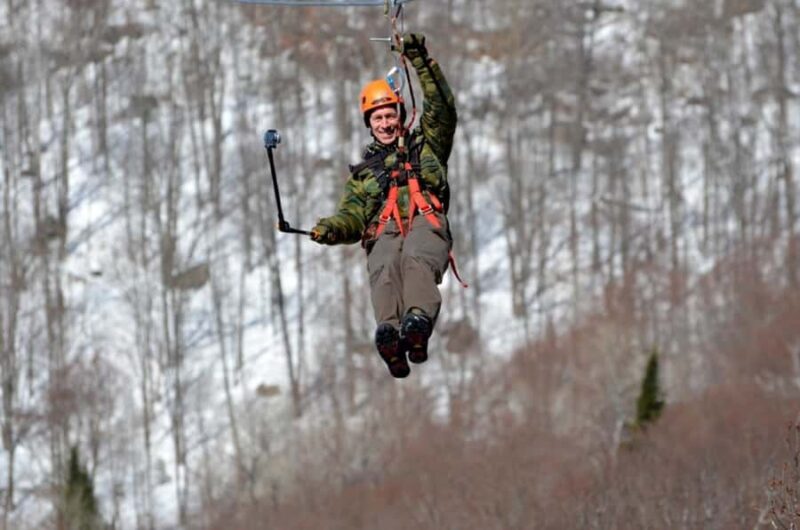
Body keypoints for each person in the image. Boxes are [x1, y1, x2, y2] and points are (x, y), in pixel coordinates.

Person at [310, 33, 458, 379]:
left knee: (415, 257)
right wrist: (330, 229)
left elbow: (442, 107)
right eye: (378, 119)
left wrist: (419, 59)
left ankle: (417, 319)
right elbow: (352, 216)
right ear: (369, 124)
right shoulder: (363, 177)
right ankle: (390, 332)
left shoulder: (427, 145)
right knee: (384, 263)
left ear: (400, 114)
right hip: (384, 227)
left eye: (390, 115)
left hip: (425, 217)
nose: (386, 124)